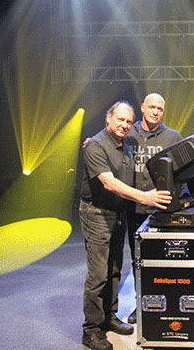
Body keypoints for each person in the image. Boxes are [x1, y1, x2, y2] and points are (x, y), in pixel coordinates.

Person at [79, 101, 172, 350]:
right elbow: (108, 183)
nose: (124, 125)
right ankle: (91, 330)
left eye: (128, 122)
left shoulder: (126, 143)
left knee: (114, 270)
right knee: (98, 275)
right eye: (120, 119)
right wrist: (145, 197)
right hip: (97, 214)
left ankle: (109, 317)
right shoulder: (96, 145)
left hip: (118, 213)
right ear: (108, 118)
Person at [123, 92, 182, 324]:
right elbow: (106, 144)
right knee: (138, 261)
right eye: (152, 107)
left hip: (162, 211)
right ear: (142, 108)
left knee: (164, 261)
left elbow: (183, 170)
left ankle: (167, 303)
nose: (155, 112)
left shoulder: (172, 136)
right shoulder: (127, 133)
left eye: (160, 108)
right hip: (134, 210)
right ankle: (142, 305)